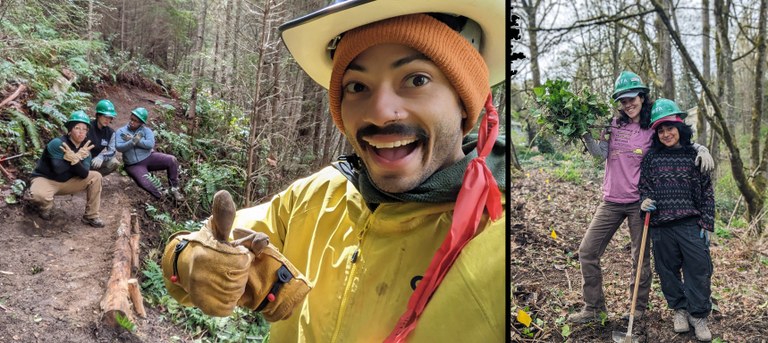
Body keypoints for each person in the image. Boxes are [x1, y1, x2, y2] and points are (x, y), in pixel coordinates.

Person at [160, 0, 506, 341]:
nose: (380, 112)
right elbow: (209, 241)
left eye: (416, 80)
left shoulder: (497, 242)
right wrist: (192, 258)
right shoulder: (317, 195)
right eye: (357, 86)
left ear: (465, 100)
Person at [569, 71, 714, 324]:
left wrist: (702, 148)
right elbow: (600, 154)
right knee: (587, 251)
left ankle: (637, 309)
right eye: (623, 101)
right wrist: (584, 132)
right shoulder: (612, 124)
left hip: (640, 202)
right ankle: (594, 309)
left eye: (632, 98)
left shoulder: (652, 127)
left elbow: (676, 139)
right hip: (611, 200)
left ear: (642, 97)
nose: (628, 104)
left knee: (640, 259)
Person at [639, 99, 715, 341]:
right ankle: (680, 310)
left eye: (670, 128)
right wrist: (644, 202)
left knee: (699, 269)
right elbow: (644, 187)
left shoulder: (695, 155)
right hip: (661, 226)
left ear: (680, 128)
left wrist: (707, 223)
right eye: (660, 130)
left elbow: (707, 192)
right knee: (668, 271)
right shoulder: (651, 158)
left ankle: (699, 315)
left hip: (690, 224)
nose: (666, 134)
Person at [29, 110, 104, 228]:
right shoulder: (57, 143)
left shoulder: (85, 150)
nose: (81, 132)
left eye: (84, 129)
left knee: (96, 176)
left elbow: (84, 174)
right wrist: (75, 158)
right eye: (77, 128)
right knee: (39, 195)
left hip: (68, 182)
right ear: (70, 129)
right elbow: (58, 169)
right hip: (46, 179)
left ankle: (91, 216)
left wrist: (76, 158)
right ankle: (45, 208)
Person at [115, 107, 184, 201]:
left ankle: (174, 190)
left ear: (141, 123)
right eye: (131, 119)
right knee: (145, 182)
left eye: (136, 121)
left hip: (149, 157)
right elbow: (119, 147)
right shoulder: (121, 131)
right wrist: (132, 142)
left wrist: (136, 141)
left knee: (171, 160)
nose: (132, 122)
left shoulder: (146, 131)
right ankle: (162, 196)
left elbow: (150, 144)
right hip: (133, 164)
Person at [86, 99, 120, 176]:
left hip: (95, 161)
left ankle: (94, 178)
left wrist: (102, 156)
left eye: (110, 117)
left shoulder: (111, 133)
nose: (107, 120)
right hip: (82, 159)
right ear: (98, 115)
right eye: (105, 117)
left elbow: (112, 151)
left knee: (114, 162)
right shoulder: (87, 126)